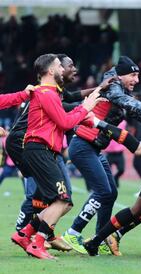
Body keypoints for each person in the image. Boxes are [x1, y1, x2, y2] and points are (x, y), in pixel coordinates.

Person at [8, 54, 112, 252]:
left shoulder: (55, 92)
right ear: (53, 70)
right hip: (28, 144)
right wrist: (87, 108)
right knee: (55, 197)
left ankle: (30, 233)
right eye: (66, 66)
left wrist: (97, 91)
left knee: (53, 195)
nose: (70, 70)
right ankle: (37, 236)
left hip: (36, 145)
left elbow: (71, 101)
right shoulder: (47, 93)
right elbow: (66, 116)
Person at [62, 56, 141, 254]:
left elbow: (138, 114)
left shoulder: (121, 89)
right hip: (82, 145)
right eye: (133, 75)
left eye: (138, 75)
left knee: (111, 194)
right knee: (103, 192)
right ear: (121, 75)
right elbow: (130, 105)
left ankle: (100, 239)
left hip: (92, 148)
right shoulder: (114, 87)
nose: (137, 80)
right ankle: (72, 232)